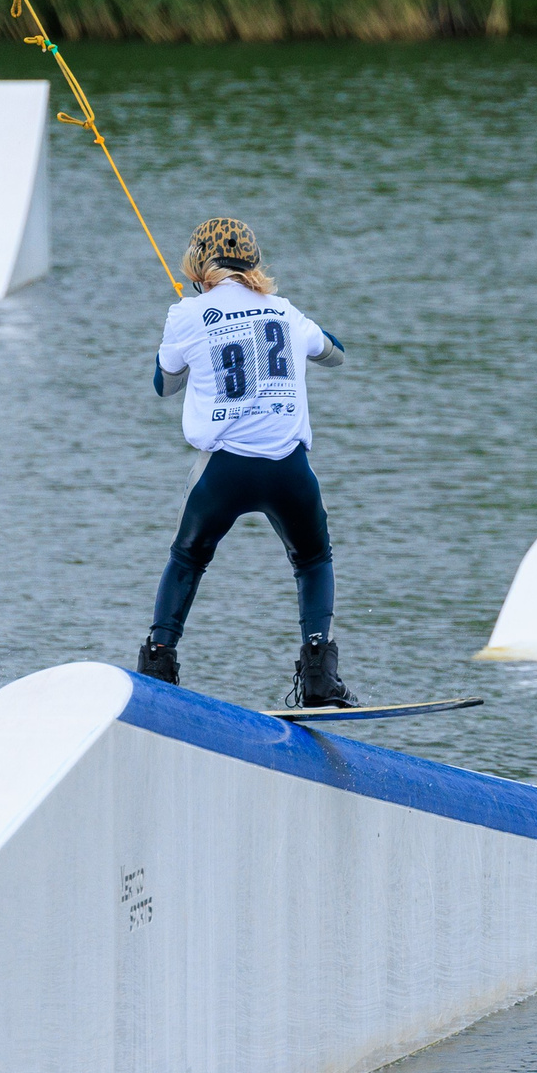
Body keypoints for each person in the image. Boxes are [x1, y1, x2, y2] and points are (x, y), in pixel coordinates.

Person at [135, 217, 353, 707]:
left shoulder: (187, 314)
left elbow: (163, 386)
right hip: (288, 471)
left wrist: (190, 331)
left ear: (197, 268)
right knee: (313, 560)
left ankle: (158, 662)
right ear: (254, 264)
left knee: (188, 557)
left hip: (224, 474)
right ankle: (319, 672)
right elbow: (335, 353)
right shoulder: (284, 311)